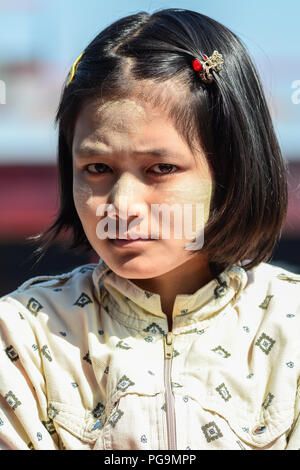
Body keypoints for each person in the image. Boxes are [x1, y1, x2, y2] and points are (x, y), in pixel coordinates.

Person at [0, 8, 299, 451]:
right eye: (97, 167)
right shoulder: (22, 336)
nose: (122, 204)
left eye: (161, 168)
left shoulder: (289, 327)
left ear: (232, 170)